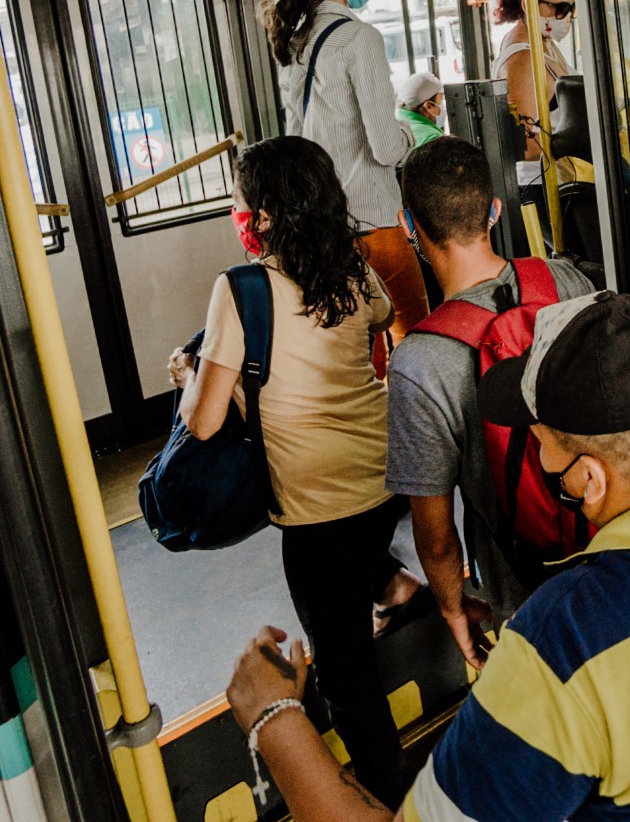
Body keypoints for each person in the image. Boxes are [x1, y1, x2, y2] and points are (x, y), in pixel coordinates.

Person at [225, 292, 630, 822]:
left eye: (541, 446)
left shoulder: (564, 643)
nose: (539, 460)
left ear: (588, 479)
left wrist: (274, 718)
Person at [174, 136, 420, 805]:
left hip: (318, 512)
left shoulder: (241, 288)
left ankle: (390, 799)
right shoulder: (352, 267)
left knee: (346, 676)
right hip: (386, 479)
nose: (237, 212)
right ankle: (394, 585)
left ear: (265, 214)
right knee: (355, 567)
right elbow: (381, 319)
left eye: (240, 201)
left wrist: (189, 378)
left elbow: (203, 423)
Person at [387, 136, 592, 665]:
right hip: (613, 547)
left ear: (408, 225)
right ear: (494, 211)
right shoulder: (565, 280)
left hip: (523, 588)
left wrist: (453, 606)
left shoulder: (418, 361)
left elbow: (435, 535)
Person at [267, 0, 426, 344]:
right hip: (375, 225)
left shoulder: (295, 43)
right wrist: (411, 135)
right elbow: (386, 148)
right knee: (414, 338)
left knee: (357, 347)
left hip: (326, 229)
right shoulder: (359, 38)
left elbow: (299, 141)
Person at [491, 0, 574, 189]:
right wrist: (580, 140)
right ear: (528, 5)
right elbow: (525, 145)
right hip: (543, 185)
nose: (566, 17)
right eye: (560, 8)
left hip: (565, 177)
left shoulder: (545, 43)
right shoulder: (522, 59)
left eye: (572, 8)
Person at [391, 71, 445, 147]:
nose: (443, 106)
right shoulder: (432, 138)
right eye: (441, 101)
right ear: (429, 106)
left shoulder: (396, 127)